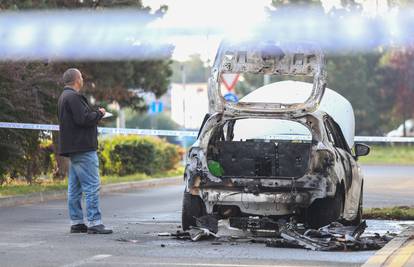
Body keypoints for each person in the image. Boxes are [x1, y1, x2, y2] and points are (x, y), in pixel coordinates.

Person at [57, 68, 112, 234]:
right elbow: (83, 119)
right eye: (81, 76)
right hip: (83, 148)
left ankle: (77, 222)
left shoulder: (63, 97)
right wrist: (99, 114)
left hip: (73, 148)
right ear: (76, 80)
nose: (82, 79)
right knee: (92, 186)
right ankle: (95, 222)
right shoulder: (73, 97)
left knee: (75, 188)